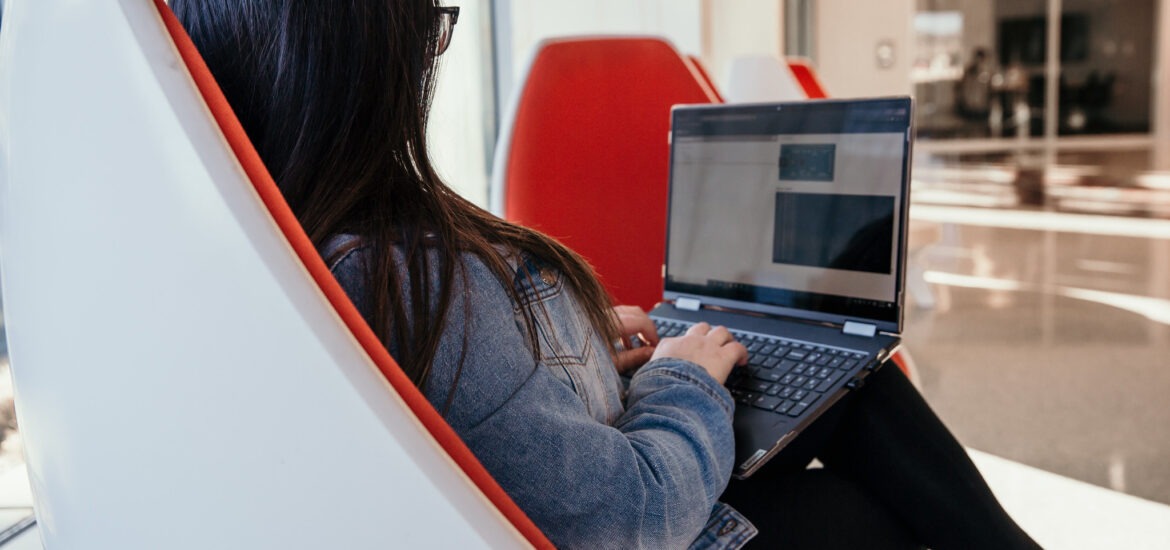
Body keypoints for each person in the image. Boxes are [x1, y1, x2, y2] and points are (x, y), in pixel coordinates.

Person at [172, 2, 1041, 548]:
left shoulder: (307, 252)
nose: (433, 51)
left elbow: (494, 421)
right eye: (432, 23)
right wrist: (681, 383)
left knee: (861, 388)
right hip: (649, 520)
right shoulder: (416, 283)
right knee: (865, 508)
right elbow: (626, 520)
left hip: (592, 473)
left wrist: (580, 358)